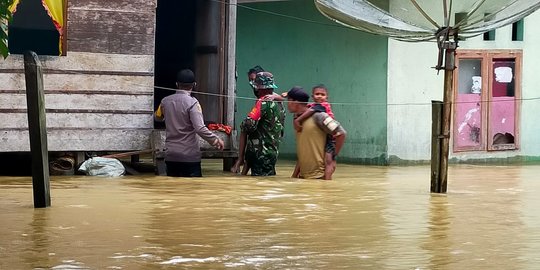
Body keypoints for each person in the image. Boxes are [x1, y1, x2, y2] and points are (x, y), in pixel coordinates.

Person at [154, 69, 224, 177]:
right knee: (192, 192)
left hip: (171, 156)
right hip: (190, 158)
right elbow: (200, 128)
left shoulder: (165, 101)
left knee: (173, 191)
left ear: (177, 84)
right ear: (194, 85)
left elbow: (157, 117)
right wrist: (215, 140)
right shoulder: (193, 103)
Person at [286, 86, 346, 180]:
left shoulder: (319, 116)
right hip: (304, 179)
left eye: (288, 101)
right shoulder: (297, 120)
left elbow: (341, 133)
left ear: (295, 102)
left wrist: (334, 156)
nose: (287, 104)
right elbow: (303, 151)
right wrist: (294, 176)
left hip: (319, 179)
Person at [237, 71, 285, 176]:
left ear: (260, 88)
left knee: (260, 185)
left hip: (261, 154)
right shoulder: (280, 104)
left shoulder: (263, 102)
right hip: (272, 151)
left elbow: (248, 125)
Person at [231, 65, 265, 174]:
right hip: (258, 149)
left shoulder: (265, 99)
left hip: (262, 151)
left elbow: (246, 126)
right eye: (250, 80)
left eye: (254, 80)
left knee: (244, 127)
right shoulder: (260, 97)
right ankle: (242, 160)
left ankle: (240, 159)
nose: (252, 83)